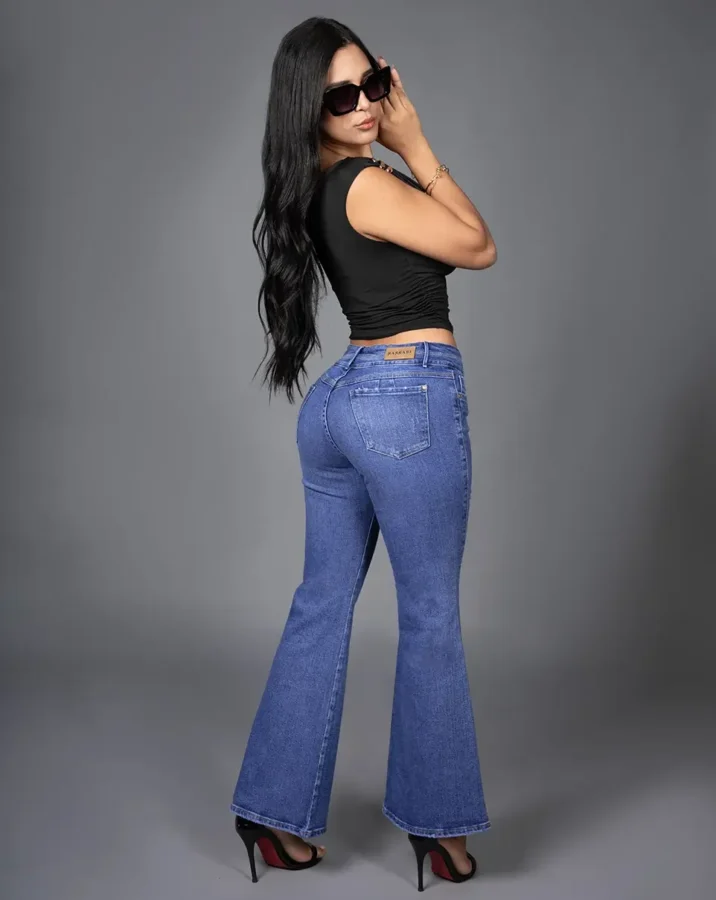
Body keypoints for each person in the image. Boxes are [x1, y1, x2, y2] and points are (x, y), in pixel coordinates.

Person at [230, 15, 496, 891]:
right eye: (341, 97)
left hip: (341, 403)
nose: (364, 107)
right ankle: (440, 833)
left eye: (372, 85)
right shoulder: (367, 183)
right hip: (405, 395)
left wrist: (398, 142)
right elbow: (478, 246)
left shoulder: (314, 187)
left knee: (320, 603)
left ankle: (272, 815)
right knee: (429, 616)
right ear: (310, 110)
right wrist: (418, 144)